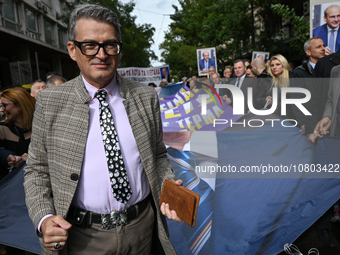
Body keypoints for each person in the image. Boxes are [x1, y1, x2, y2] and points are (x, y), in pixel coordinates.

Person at [23, 4, 182, 255]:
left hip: (143, 229)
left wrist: (169, 186)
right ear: (72, 50)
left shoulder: (145, 97)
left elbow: (158, 155)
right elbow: (37, 170)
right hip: (82, 237)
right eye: (90, 45)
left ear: (119, 50)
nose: (101, 54)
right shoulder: (50, 101)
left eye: (110, 44)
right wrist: (43, 218)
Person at [291, 37, 325, 133]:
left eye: (323, 45)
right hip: (310, 124)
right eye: (318, 47)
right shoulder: (299, 73)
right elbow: (296, 100)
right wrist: (303, 123)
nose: (323, 49)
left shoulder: (331, 69)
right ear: (308, 52)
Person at [0, 87, 35, 178]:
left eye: (4, 105)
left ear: (19, 105)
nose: (2, 110)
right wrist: (9, 157)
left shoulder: (40, 126)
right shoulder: (2, 128)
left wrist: (31, 158)